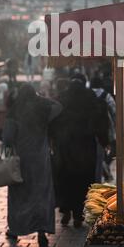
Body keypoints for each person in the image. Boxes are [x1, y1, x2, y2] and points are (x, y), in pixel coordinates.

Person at [3, 84, 62, 247]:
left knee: (19, 195)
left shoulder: (15, 110)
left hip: (20, 159)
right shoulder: (43, 109)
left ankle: (15, 229)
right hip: (40, 159)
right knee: (41, 193)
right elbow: (58, 106)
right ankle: (42, 231)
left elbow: (7, 138)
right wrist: (41, 97)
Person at [49, 76, 109, 228]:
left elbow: (52, 121)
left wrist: (52, 140)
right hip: (86, 147)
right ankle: (78, 214)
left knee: (65, 179)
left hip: (65, 147)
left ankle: (65, 210)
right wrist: (105, 141)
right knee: (83, 181)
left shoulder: (62, 99)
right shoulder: (91, 99)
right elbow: (101, 121)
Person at [90, 76, 116, 182]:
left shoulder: (87, 94)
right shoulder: (106, 95)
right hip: (105, 127)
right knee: (106, 151)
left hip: (90, 128)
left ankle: (102, 172)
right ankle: (104, 172)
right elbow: (114, 111)